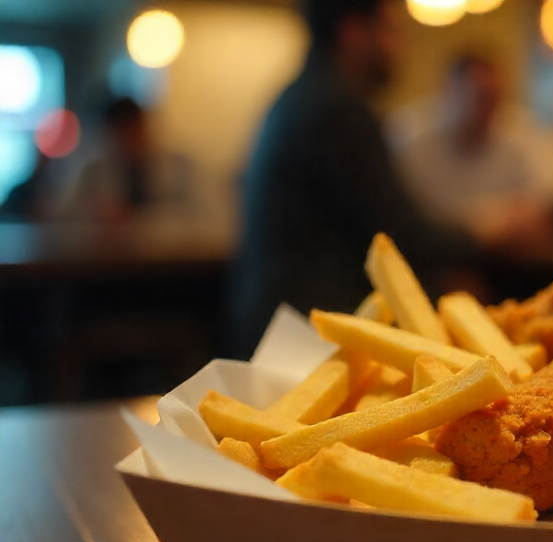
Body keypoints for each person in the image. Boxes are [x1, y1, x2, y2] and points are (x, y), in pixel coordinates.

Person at [229, 0, 466, 357]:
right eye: (389, 30)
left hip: (275, 327)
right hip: (305, 341)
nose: (399, 45)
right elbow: (398, 231)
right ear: (353, 32)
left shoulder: (300, 96)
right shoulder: (336, 109)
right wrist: (483, 234)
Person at [388, 55, 553, 248]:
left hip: (502, 261)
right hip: (432, 258)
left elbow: (538, 210)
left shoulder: (520, 136)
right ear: (449, 92)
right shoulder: (409, 139)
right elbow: (406, 221)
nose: (490, 108)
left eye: (496, 97)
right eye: (481, 96)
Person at [69, 97, 203, 225]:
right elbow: (64, 212)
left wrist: (138, 216)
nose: (128, 138)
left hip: (172, 247)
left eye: (132, 129)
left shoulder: (179, 166)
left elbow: (202, 211)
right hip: (112, 248)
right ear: (111, 134)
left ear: (143, 127)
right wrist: (95, 211)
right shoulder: (94, 171)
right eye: (121, 132)